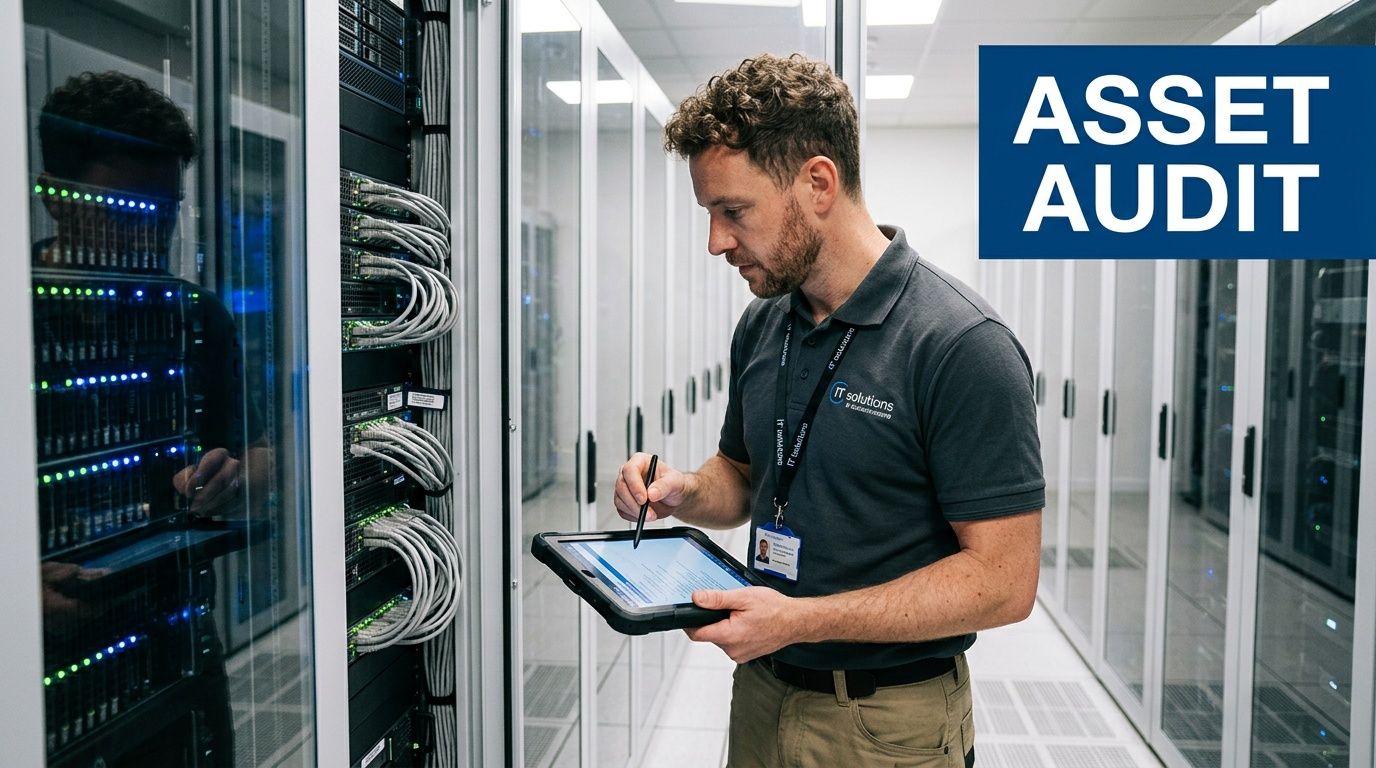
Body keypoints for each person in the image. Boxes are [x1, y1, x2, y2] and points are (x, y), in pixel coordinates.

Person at [613, 53, 1044, 768]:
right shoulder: (765, 322)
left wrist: (801, 620)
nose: (716, 242)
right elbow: (742, 477)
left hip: (887, 723)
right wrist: (683, 490)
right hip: (763, 690)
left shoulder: (960, 344)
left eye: (733, 211)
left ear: (818, 183)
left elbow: (1004, 583)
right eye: (710, 214)